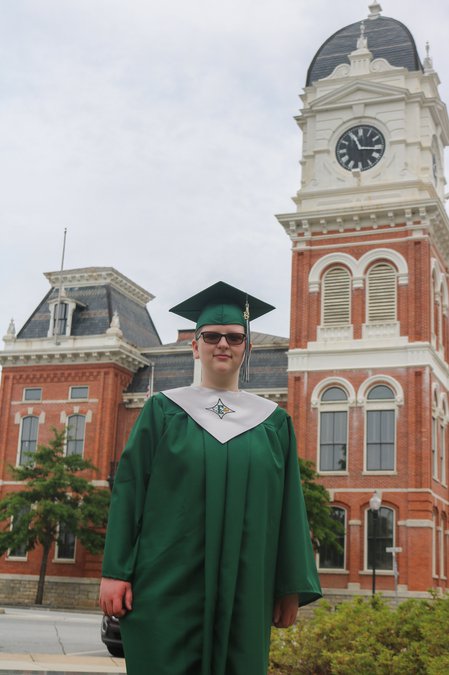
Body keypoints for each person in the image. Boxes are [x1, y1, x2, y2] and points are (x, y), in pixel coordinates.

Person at [99, 281, 322, 675]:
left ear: (246, 348)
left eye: (234, 337)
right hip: (168, 581)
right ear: (195, 346)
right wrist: (115, 572)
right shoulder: (162, 411)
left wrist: (289, 586)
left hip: (246, 586)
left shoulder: (273, 423)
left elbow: (290, 507)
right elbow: (130, 491)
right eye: (212, 336)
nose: (223, 344)